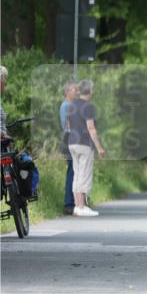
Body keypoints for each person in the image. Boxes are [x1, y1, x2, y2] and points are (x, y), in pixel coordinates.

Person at [66, 79, 105, 217]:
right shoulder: (89, 106)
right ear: (90, 91)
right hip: (84, 144)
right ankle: (82, 206)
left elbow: (69, 126)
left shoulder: (71, 105)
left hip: (72, 143)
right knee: (84, 174)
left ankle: (77, 206)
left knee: (76, 174)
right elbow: (91, 128)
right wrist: (99, 147)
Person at [60, 81, 79, 214]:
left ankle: (74, 202)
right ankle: (69, 203)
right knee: (72, 170)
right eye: (74, 90)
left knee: (75, 170)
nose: (76, 92)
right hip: (70, 138)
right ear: (67, 91)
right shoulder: (67, 105)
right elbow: (68, 125)